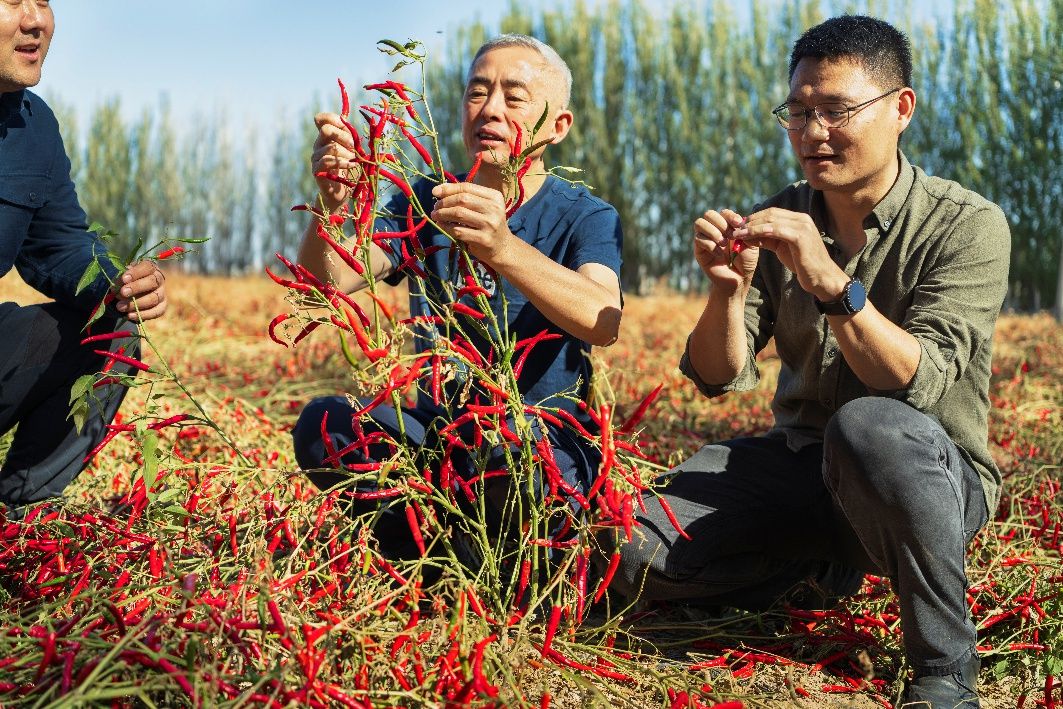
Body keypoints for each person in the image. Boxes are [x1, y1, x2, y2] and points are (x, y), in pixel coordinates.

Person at [612, 16, 1008, 709]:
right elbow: (713, 375)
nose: (811, 131)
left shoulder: (965, 224)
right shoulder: (781, 214)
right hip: (801, 464)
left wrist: (827, 278)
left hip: (924, 478)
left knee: (868, 426)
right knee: (633, 543)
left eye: (835, 110)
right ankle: (815, 570)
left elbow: (914, 380)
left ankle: (944, 672)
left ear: (900, 109)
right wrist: (726, 291)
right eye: (797, 111)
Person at [291, 35, 623, 560]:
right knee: (325, 428)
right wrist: (333, 204)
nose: (489, 109)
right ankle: (425, 561)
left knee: (505, 452)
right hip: (439, 435)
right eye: (476, 93)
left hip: (538, 442)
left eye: (514, 97)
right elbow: (323, 284)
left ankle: (498, 563)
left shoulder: (585, 216)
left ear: (558, 126)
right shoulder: (426, 201)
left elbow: (603, 319)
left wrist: (503, 247)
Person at [0, 0, 168, 520]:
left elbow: (60, 246)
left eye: (44, 1)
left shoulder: (35, 128)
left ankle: (17, 515)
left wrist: (117, 281)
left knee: (112, 329)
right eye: (12, 0)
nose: (36, 21)